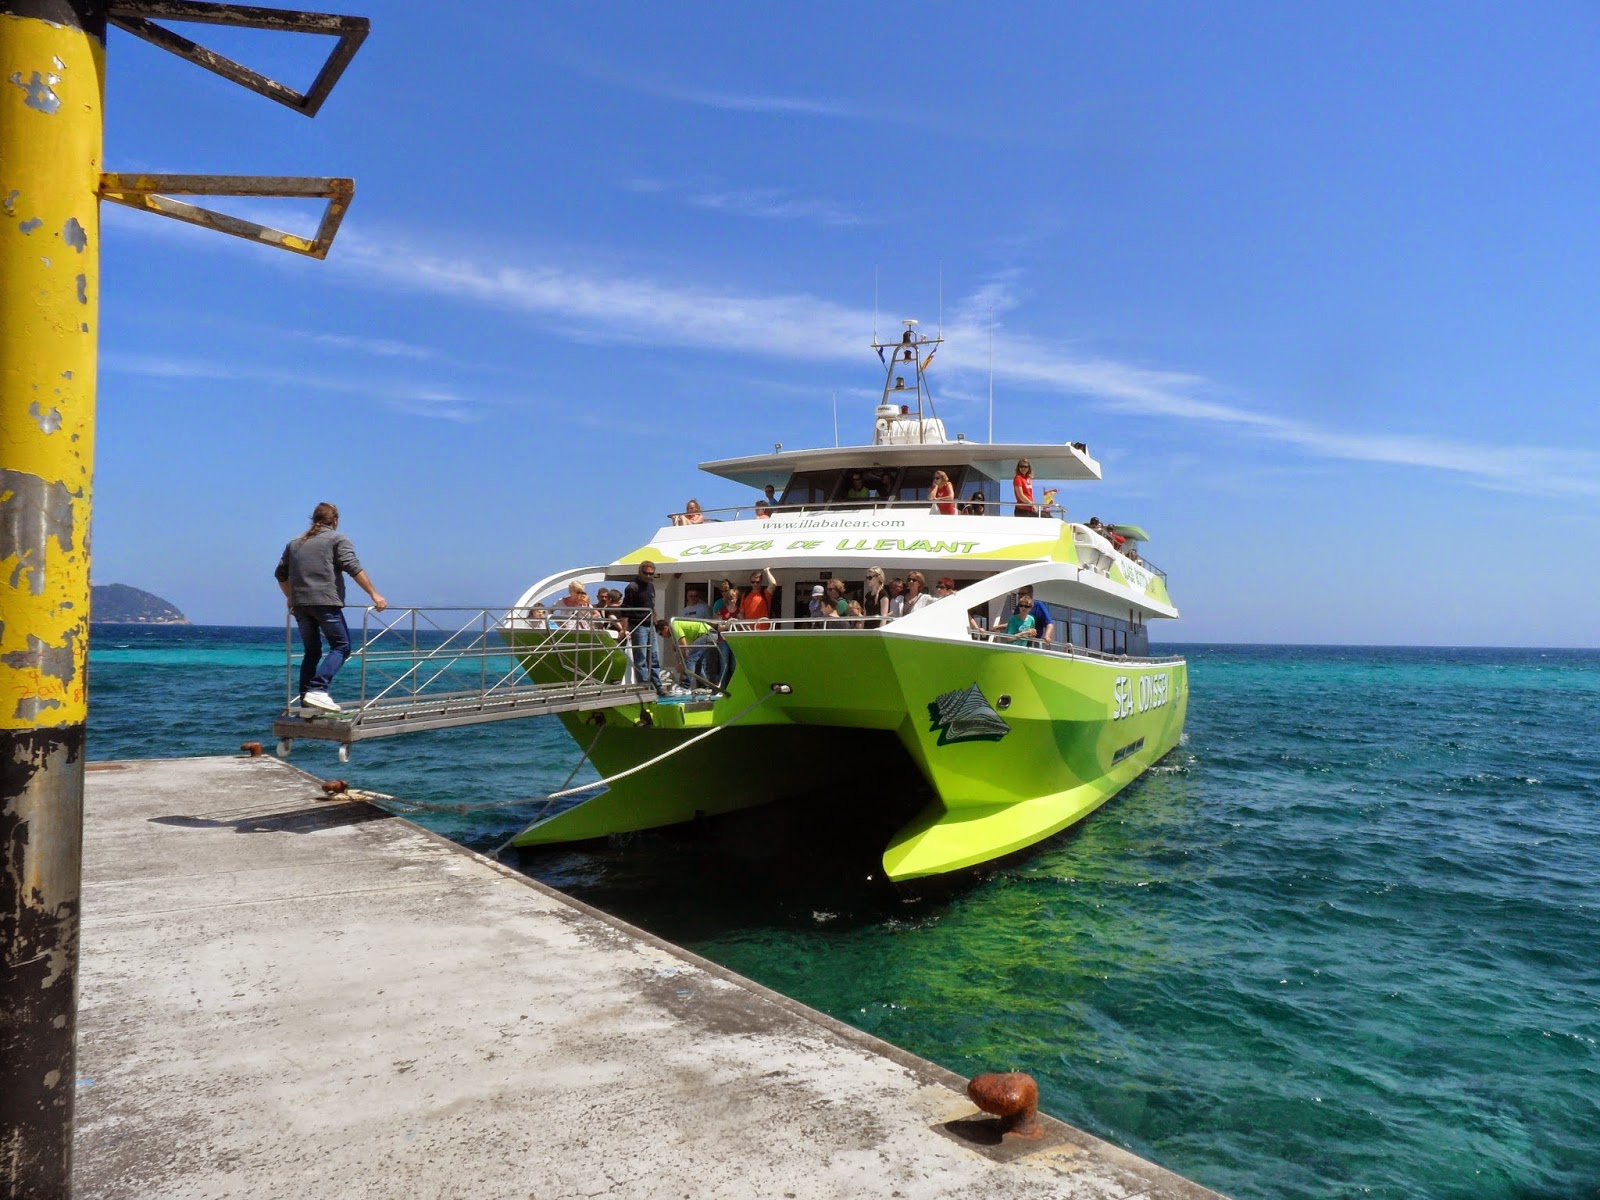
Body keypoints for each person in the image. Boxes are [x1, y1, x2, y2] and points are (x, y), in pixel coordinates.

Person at [274, 502, 386, 712]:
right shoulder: (337, 539)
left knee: (312, 652)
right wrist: (374, 593)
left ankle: (306, 701)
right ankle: (318, 688)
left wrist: (290, 597)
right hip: (325, 602)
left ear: (313, 520)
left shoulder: (294, 543)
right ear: (335, 521)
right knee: (342, 646)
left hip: (300, 605)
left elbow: (280, 574)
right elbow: (353, 567)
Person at [619, 561, 662, 693]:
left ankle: (657, 685)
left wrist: (656, 620)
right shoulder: (632, 587)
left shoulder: (651, 586)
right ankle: (644, 684)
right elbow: (626, 610)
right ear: (639, 572)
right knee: (641, 656)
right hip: (638, 625)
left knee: (654, 656)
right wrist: (624, 629)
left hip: (650, 624)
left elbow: (651, 606)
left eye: (651, 574)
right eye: (646, 573)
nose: (648, 576)